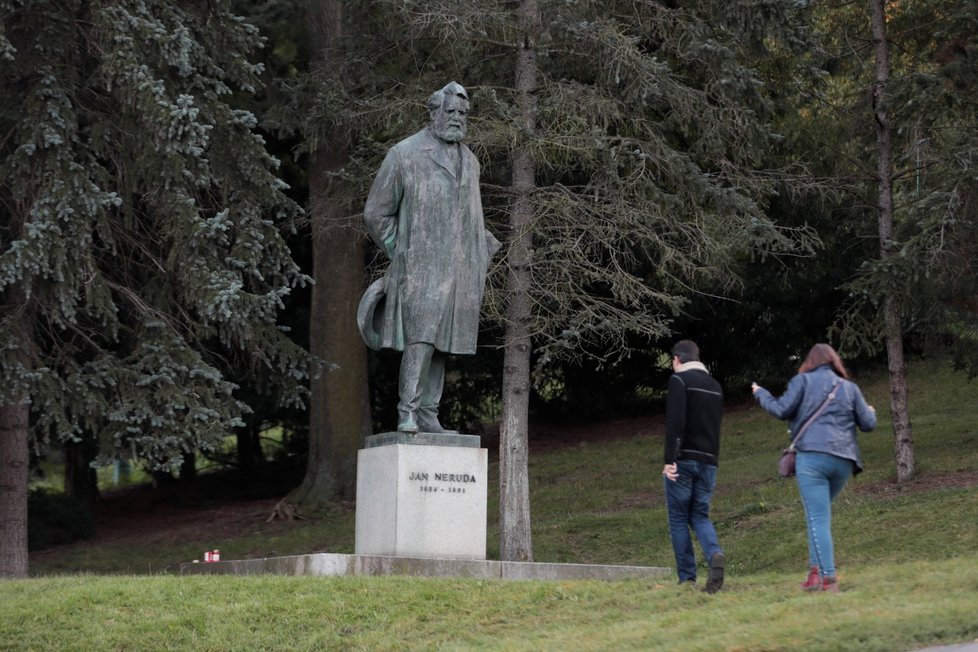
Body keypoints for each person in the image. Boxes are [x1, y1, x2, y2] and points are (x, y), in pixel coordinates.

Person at [358, 81, 500, 434]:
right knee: (420, 338)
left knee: (444, 342)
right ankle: (407, 411)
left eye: (462, 114)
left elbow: (470, 213)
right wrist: (404, 251)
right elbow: (377, 213)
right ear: (434, 112)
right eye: (450, 112)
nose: (457, 119)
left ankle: (428, 414)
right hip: (420, 267)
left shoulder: (470, 161)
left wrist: (481, 243)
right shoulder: (404, 154)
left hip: (460, 267)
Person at [751, 343, 877, 593]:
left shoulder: (802, 381)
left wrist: (761, 393)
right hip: (843, 461)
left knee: (818, 517)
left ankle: (828, 579)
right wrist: (871, 410)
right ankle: (813, 575)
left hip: (813, 458)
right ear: (834, 362)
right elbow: (868, 424)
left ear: (810, 362)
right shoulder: (849, 387)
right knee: (816, 515)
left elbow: (780, 410)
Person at [662, 339, 726, 593]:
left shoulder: (679, 381)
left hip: (683, 461)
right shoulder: (715, 386)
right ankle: (714, 554)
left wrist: (669, 460)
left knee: (678, 518)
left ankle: (687, 578)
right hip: (709, 461)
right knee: (700, 515)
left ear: (677, 359)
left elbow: (675, 423)